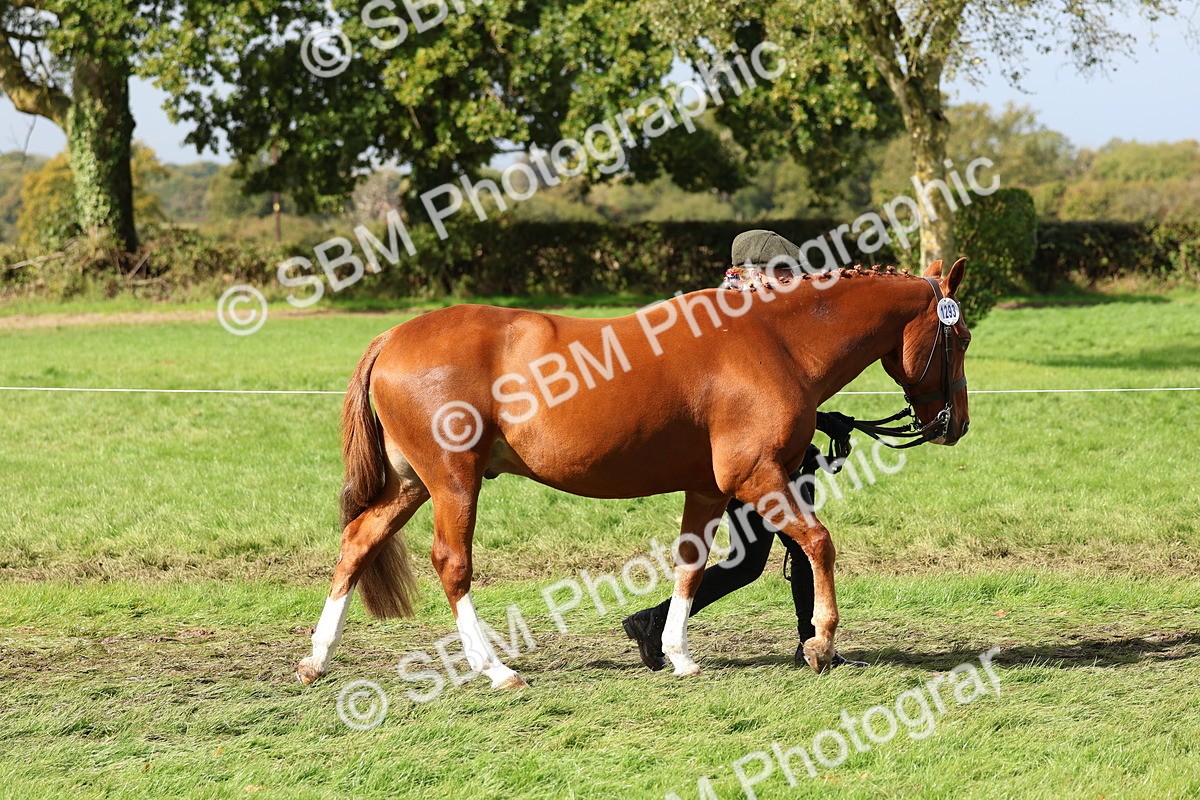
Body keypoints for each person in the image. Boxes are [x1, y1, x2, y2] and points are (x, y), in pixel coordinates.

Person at [622, 230, 866, 671]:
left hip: (772, 453)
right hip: (743, 460)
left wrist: (825, 419)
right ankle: (811, 645)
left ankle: (656, 621)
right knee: (781, 550)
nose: (790, 284)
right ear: (751, 273)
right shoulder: (728, 319)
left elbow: (779, 396)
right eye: (782, 275)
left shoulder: (756, 316)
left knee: (751, 561)